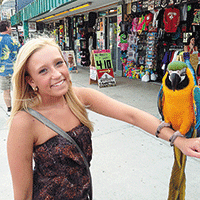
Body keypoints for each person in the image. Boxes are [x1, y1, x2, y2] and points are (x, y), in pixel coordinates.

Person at [7, 37, 200, 200]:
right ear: (30, 80)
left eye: (59, 63)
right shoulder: (24, 122)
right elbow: (22, 194)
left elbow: (132, 115)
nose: (57, 74)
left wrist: (179, 141)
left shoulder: (79, 97)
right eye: (43, 70)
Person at [0, 20, 21, 116]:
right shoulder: (14, 41)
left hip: (2, 71)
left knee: (6, 91)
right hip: (14, 70)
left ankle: (9, 109)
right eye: (10, 27)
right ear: (7, 28)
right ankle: (18, 108)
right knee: (17, 90)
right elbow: (21, 54)